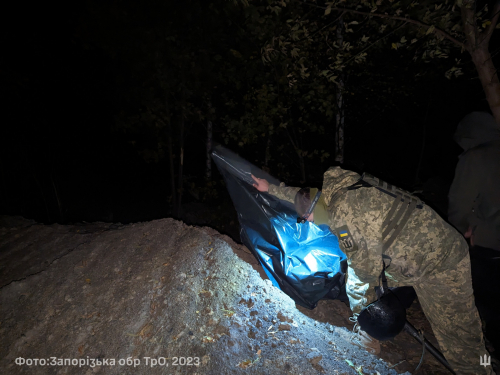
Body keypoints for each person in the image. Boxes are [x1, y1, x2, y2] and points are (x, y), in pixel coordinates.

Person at [252, 169, 492, 375]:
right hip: (420, 251)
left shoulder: (345, 222)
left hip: (439, 264)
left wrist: (365, 298)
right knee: (360, 274)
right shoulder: (340, 190)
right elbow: (305, 199)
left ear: (314, 212)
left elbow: (366, 272)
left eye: (309, 219)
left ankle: (483, 368)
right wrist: (272, 188)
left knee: (461, 337)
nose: (312, 223)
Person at [448, 111, 500, 355]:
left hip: (489, 243)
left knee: (487, 305)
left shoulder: (476, 158)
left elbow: (459, 201)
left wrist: (459, 232)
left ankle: (485, 362)